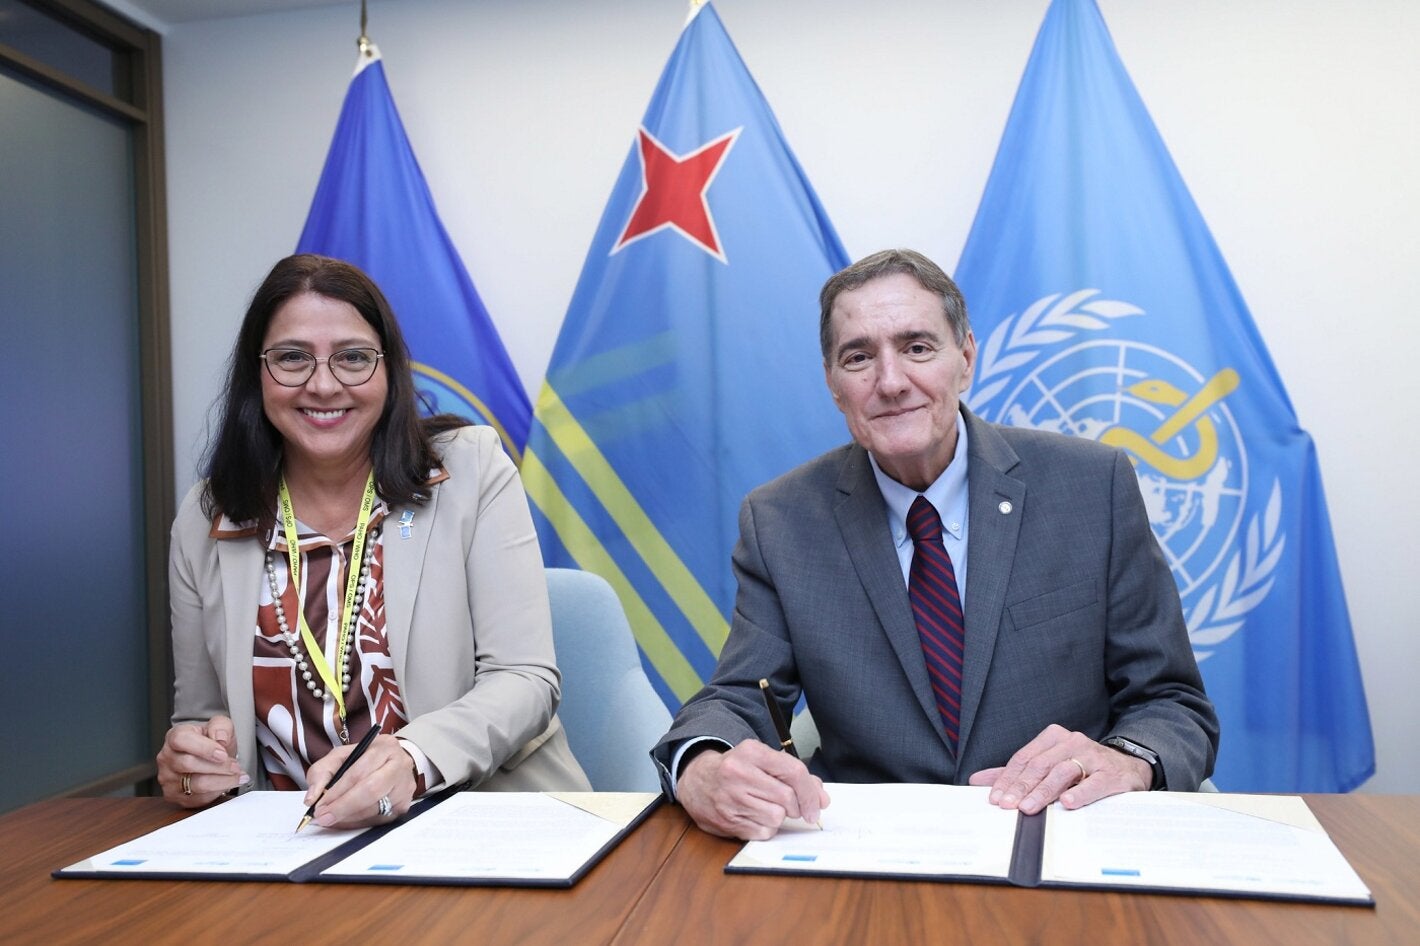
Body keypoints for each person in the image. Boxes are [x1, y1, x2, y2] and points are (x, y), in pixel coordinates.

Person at [652, 249, 1218, 840]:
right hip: (868, 852)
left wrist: (1127, 759)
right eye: (858, 357)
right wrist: (699, 763)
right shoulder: (781, 521)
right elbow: (742, 696)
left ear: (966, 358)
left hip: (1057, 836)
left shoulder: (1091, 488)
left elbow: (1172, 703)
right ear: (833, 384)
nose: (891, 382)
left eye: (917, 348)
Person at [156, 254, 589, 828]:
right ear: (255, 373)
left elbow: (525, 679)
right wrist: (193, 767)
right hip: (296, 843)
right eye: (292, 357)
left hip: (476, 824)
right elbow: (202, 718)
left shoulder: (471, 471)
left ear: (390, 369)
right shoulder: (207, 518)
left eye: (353, 357)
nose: (323, 384)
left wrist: (412, 759)